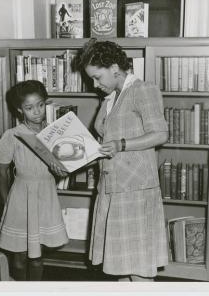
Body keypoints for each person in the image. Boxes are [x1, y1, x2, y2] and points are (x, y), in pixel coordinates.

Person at [77, 39, 169, 281]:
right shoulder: (111, 97)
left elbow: (160, 134)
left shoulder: (142, 89)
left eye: (98, 77)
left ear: (115, 67)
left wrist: (122, 144)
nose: (95, 85)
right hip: (112, 186)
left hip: (135, 189)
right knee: (120, 264)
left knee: (138, 266)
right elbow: (106, 138)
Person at [0, 80, 69, 281]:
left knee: (37, 256)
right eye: (29, 108)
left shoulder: (55, 133)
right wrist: (5, 204)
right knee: (19, 257)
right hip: (21, 197)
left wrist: (59, 171)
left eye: (40, 105)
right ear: (20, 110)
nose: (36, 112)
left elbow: (62, 170)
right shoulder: (12, 136)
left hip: (46, 196)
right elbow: (1, 172)